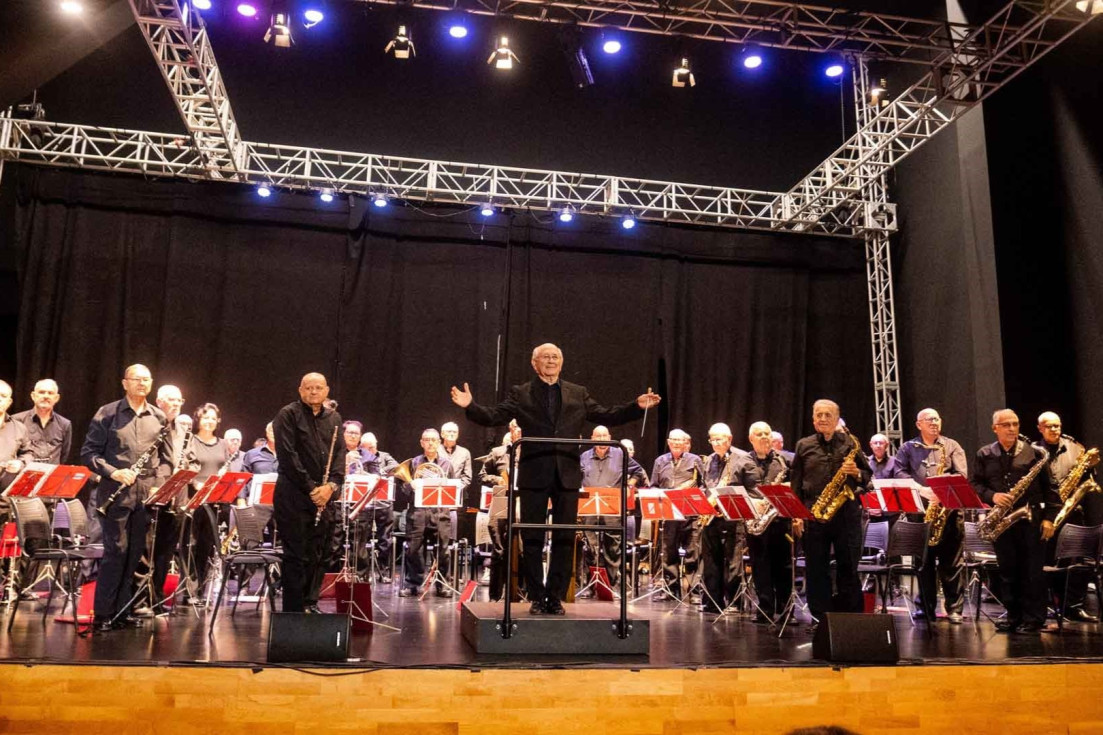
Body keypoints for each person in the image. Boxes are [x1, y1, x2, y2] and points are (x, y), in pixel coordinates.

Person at [451, 342, 659, 615]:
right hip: (534, 473)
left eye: (555, 357)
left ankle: (555, 596)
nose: (551, 361)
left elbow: (607, 414)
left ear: (561, 363)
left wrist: (636, 406)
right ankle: (537, 596)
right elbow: (494, 416)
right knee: (532, 537)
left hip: (567, 475)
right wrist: (471, 406)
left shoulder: (578, 392)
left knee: (565, 537)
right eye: (545, 357)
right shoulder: (521, 393)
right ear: (534, 364)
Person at [81, 364, 171, 631]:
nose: (142, 383)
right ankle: (103, 614)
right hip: (115, 494)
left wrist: (160, 484)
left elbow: (166, 460)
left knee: (135, 555)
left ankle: (122, 611)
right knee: (116, 552)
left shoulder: (159, 417)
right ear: (124, 383)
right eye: (136, 379)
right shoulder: (107, 413)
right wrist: (114, 472)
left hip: (145, 495)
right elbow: (89, 453)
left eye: (146, 379)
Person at [971, 409, 1057, 633]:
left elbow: (1051, 489)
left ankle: (1034, 618)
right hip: (1002, 522)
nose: (1012, 428)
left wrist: (1049, 519)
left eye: (1015, 424)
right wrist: (993, 497)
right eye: (1006, 424)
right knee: (1008, 571)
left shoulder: (1036, 453)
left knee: (1032, 571)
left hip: (1031, 519)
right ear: (995, 428)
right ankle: (1014, 616)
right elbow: (975, 485)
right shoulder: (985, 454)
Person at [789, 399, 871, 630]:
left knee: (848, 566)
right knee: (816, 568)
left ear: (836, 419)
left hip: (845, 515)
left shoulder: (850, 443)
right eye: (819, 415)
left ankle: (850, 618)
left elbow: (868, 475)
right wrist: (796, 515)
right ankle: (820, 618)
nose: (823, 418)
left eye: (828, 415)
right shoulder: (803, 445)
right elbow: (796, 482)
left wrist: (856, 472)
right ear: (813, 418)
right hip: (814, 515)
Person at [272, 373, 346, 613]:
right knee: (296, 555)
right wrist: (313, 489)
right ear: (300, 390)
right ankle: (293, 612)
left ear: (326, 390)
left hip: (324, 497)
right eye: (308, 388)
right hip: (293, 495)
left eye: (318, 388)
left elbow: (339, 458)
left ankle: (310, 603)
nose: (313, 392)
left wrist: (331, 487)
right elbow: (288, 456)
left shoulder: (334, 419)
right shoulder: (287, 415)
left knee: (321, 553)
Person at [891, 408, 968, 624]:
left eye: (937, 418)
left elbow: (961, 475)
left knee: (952, 563)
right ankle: (925, 608)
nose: (934, 422)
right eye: (929, 419)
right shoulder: (907, 448)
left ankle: (955, 610)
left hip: (949, 513)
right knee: (922, 565)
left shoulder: (952, 446)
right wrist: (922, 490)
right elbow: (899, 473)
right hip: (921, 513)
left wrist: (942, 491)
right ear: (919, 424)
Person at [1036, 411, 1098, 623]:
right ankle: (1049, 605)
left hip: (1073, 514)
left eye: (1057, 425)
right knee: (1049, 561)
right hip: (1048, 516)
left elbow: (1087, 478)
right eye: (1049, 426)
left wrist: (1090, 468)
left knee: (1079, 562)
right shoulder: (1035, 451)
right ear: (1040, 429)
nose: (1055, 429)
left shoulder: (1075, 447)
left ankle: (1073, 606)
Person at [577, 425, 647, 593]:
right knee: (590, 547)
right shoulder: (584, 457)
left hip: (613, 508)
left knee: (613, 547)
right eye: (598, 437)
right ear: (592, 439)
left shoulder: (620, 453)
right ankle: (591, 585)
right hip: (589, 508)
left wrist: (628, 485)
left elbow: (638, 471)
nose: (602, 440)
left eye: (605, 436)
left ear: (610, 437)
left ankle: (610, 585)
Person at [699, 422, 758, 615]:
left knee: (734, 563)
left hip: (734, 519)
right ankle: (713, 602)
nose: (715, 442)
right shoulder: (709, 461)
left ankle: (734, 602)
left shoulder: (743, 458)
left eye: (719, 439)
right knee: (710, 562)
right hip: (711, 518)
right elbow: (705, 486)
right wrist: (705, 504)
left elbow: (753, 489)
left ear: (729, 439)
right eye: (712, 439)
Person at [397, 428, 456, 597]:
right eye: (427, 440)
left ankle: (442, 585)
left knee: (443, 550)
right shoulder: (414, 462)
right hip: (418, 513)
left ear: (439, 442)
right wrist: (411, 485)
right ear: (421, 442)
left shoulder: (446, 464)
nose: (430, 443)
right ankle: (413, 584)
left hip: (440, 512)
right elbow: (403, 489)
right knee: (414, 549)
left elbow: (451, 490)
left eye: (434, 440)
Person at [650, 428, 706, 600]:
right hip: (669, 514)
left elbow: (704, 486)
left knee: (693, 554)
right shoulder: (660, 461)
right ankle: (670, 590)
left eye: (679, 440)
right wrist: (663, 494)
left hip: (691, 514)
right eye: (672, 440)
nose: (675, 443)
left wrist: (692, 494)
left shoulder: (695, 460)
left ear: (685, 443)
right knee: (668, 554)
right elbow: (653, 485)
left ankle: (695, 592)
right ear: (668, 442)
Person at [746, 421, 792, 622]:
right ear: (751, 439)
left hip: (780, 521)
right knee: (760, 567)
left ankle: (785, 610)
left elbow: (797, 485)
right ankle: (764, 609)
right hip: (755, 522)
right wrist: (754, 502)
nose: (764, 437)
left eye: (767, 433)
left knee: (783, 567)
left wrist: (788, 486)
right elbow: (734, 488)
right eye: (759, 434)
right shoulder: (743, 462)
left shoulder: (783, 461)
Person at [479, 422, 521, 601]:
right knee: (499, 551)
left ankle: (519, 593)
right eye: (515, 429)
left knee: (521, 551)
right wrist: (498, 479)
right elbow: (482, 475)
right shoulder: (498, 452)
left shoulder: (533, 452)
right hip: (501, 503)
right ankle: (495, 595)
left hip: (523, 503)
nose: (518, 432)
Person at [12, 379, 72, 465]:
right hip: (23, 475)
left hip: (52, 476)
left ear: (56, 398)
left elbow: (64, 456)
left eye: (50, 393)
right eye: (41, 392)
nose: (46, 396)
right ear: (33, 396)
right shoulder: (16, 420)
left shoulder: (65, 424)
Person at [0, 380, 33, 519]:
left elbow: (28, 453)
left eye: (3, 396)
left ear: (9, 402)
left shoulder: (19, 428)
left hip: (4, 501)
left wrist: (20, 463)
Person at [439, 421, 473, 489]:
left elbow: (467, 476)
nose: (452, 434)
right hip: (437, 490)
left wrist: (457, 489)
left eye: (455, 432)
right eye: (449, 431)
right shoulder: (435, 450)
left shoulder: (465, 452)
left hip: (458, 492)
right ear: (442, 434)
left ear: (458, 435)